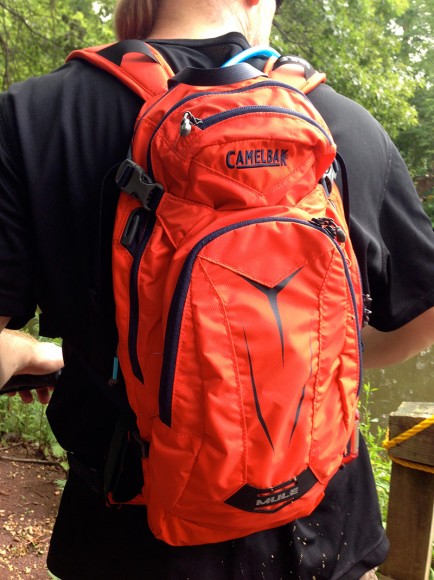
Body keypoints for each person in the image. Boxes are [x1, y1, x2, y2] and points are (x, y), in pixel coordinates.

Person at [1, 0, 434, 578]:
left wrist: (32, 353)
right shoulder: (338, 124)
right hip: (324, 537)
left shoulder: (35, 117)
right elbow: (420, 318)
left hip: (127, 547)